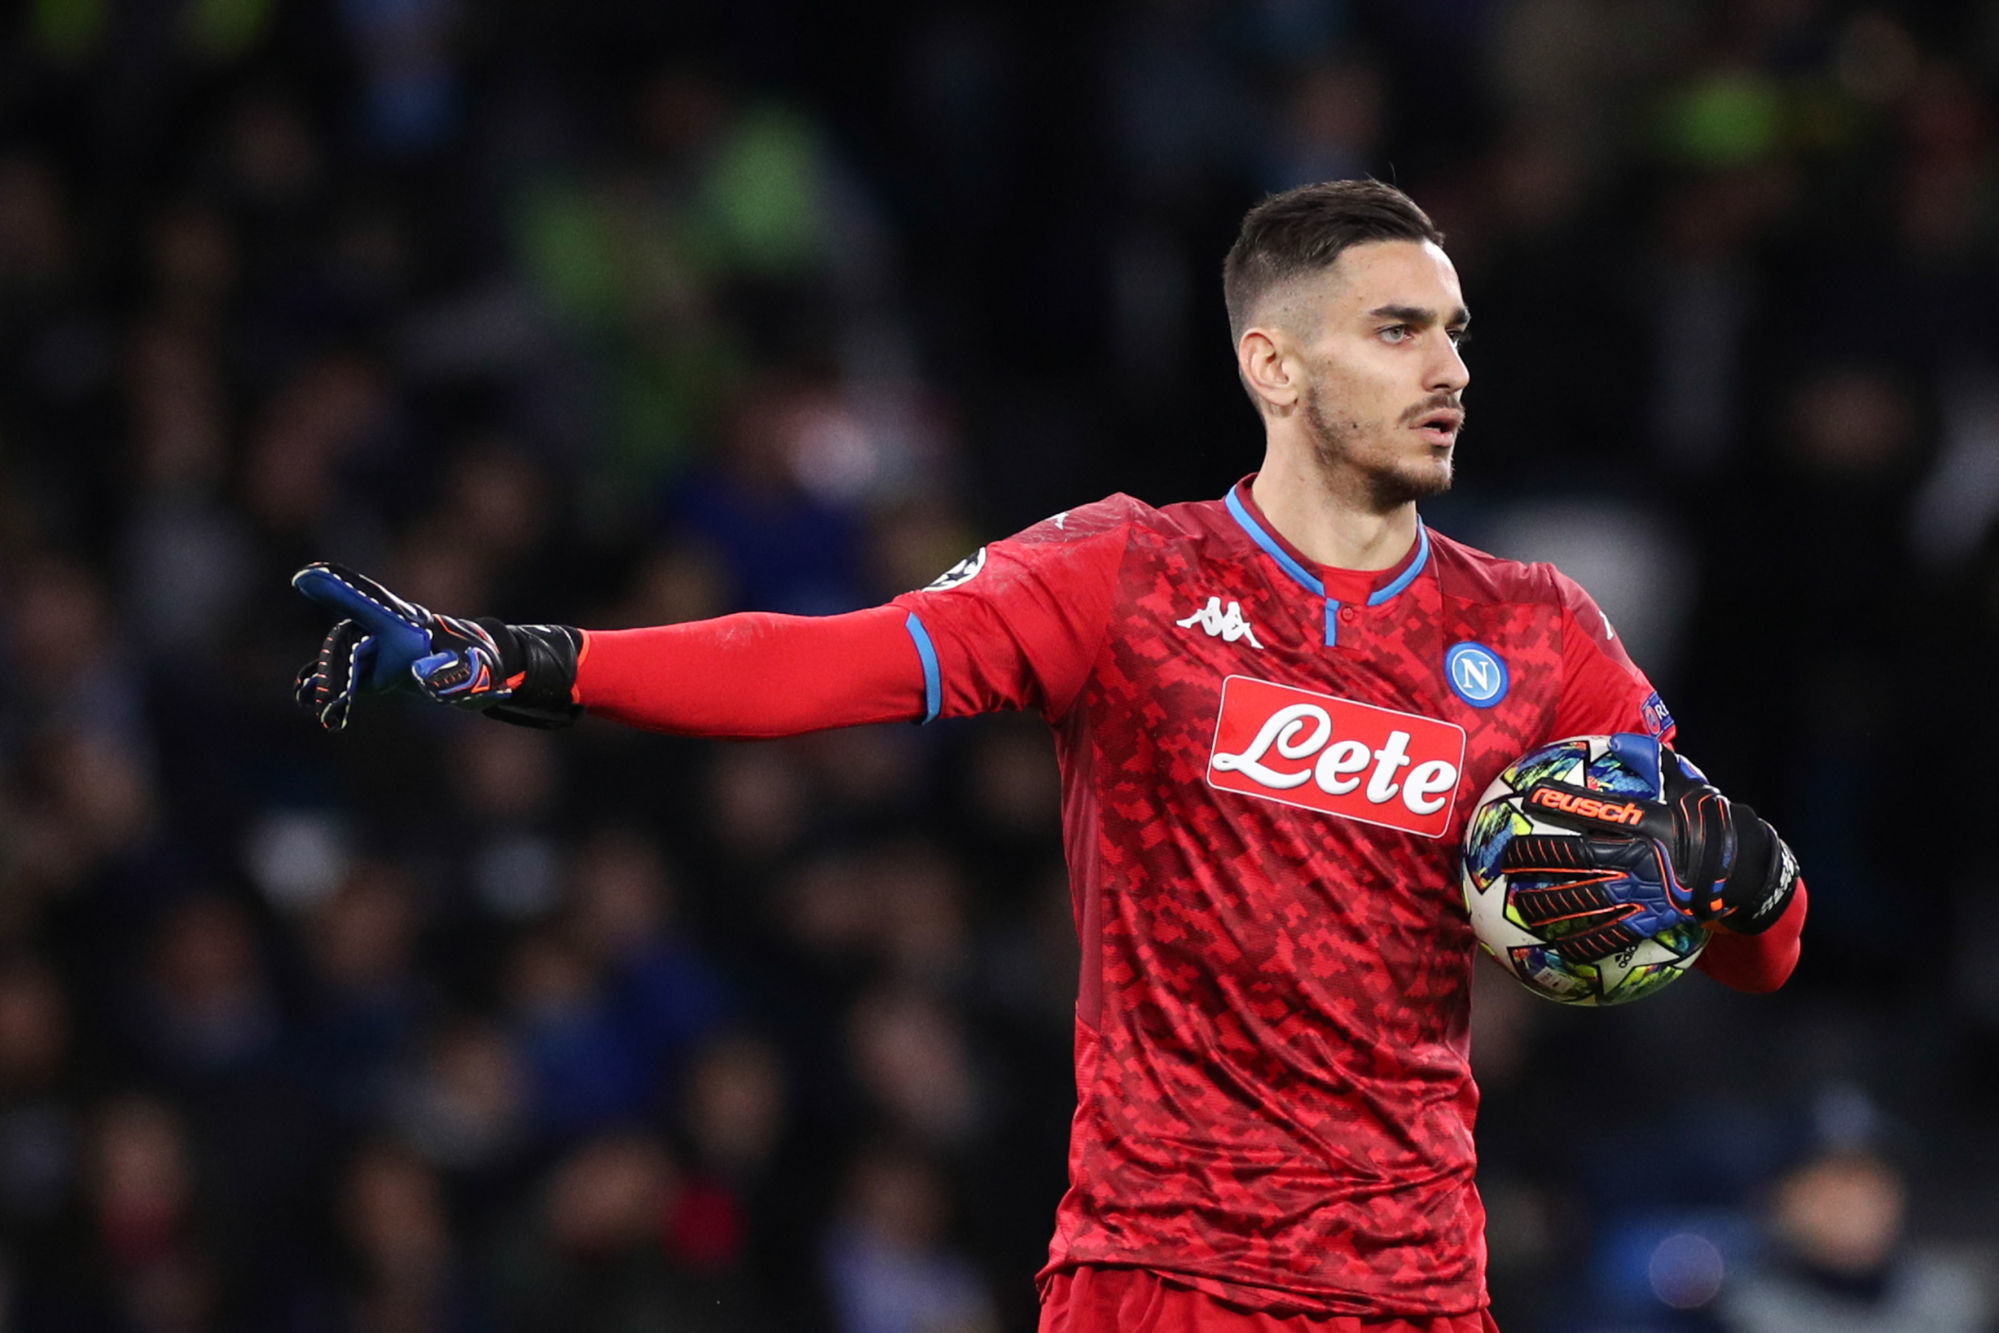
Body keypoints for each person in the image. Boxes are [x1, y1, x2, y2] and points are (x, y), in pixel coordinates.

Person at [294, 180, 1807, 1333]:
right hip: (1159, 1273)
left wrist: (1752, 877)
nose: (1446, 368)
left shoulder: (1534, 630)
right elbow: (831, 662)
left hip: (1411, 1283)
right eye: (1397, 329)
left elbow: (1746, 950)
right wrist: (533, 658)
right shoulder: (1130, 573)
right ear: (1273, 364)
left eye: (1455, 331)